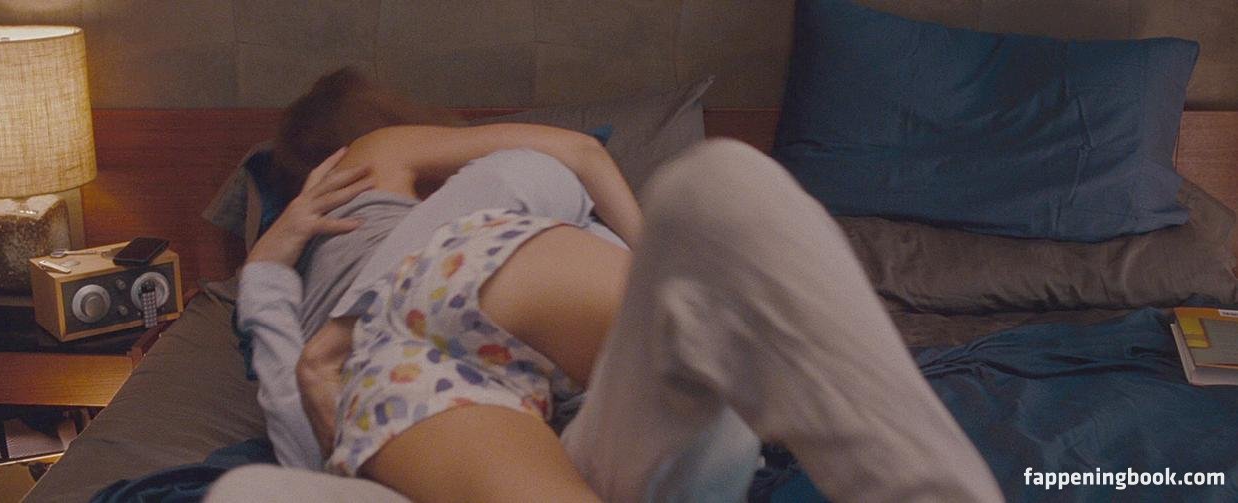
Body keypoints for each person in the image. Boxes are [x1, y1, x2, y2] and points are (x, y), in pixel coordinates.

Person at [214, 71, 1004, 502]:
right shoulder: (385, 155)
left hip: (398, 366)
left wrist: (266, 267)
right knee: (720, 192)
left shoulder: (305, 257)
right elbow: (581, 155)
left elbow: (296, 406)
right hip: (464, 274)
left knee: (718, 198)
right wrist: (653, 258)